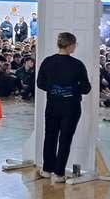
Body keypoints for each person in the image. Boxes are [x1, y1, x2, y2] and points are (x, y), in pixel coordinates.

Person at [36, 32, 91, 183]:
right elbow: (86, 88)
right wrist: (71, 89)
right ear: (70, 45)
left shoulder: (48, 62)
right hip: (71, 107)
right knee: (65, 139)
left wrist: (55, 88)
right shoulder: (77, 65)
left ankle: (47, 169)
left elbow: (40, 83)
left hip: (52, 105)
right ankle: (59, 173)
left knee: (50, 137)